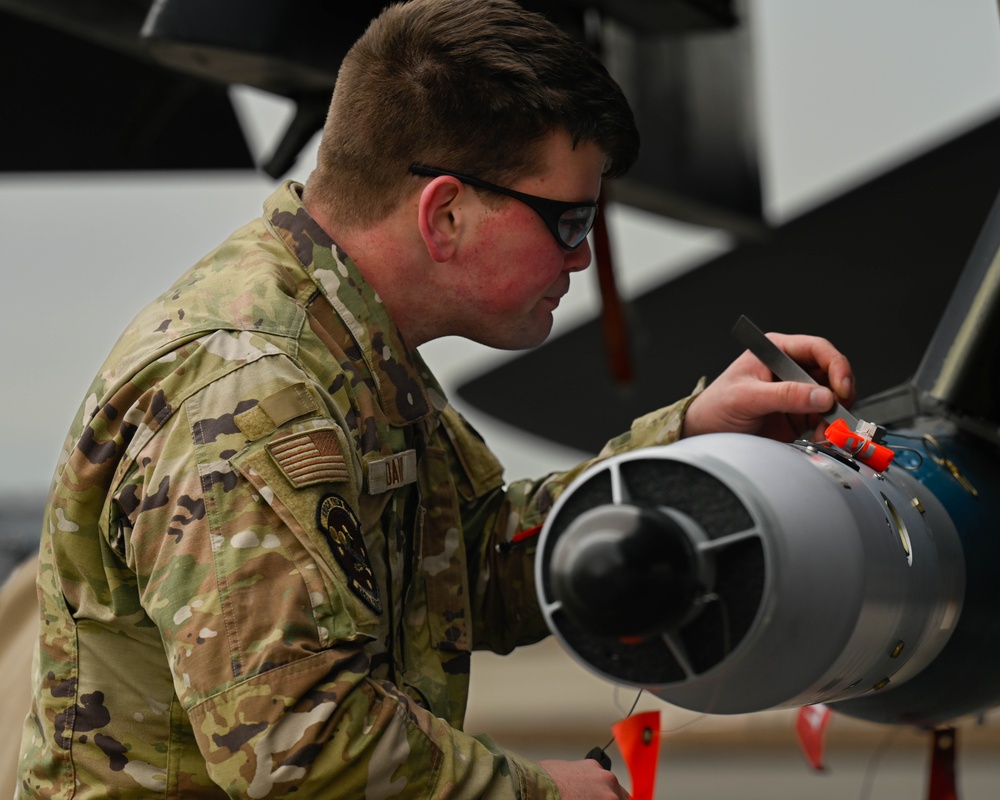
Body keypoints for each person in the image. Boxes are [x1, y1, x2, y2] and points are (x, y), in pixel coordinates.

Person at [16, 0, 855, 797]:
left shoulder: (347, 340)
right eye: (569, 223)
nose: (582, 261)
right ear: (445, 214)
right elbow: (297, 749)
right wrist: (536, 791)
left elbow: (471, 569)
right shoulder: (250, 393)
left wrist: (690, 440)